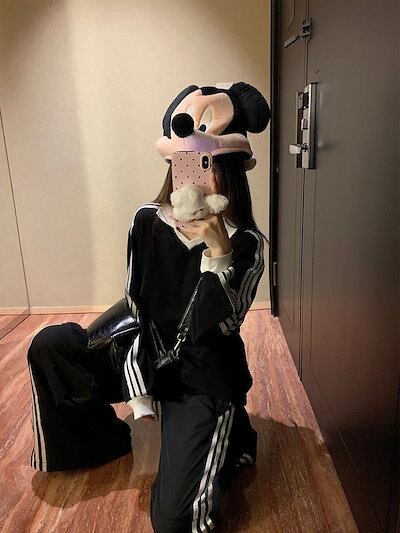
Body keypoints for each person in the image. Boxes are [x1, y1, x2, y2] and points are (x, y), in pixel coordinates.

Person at [27, 82, 270, 532]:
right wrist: (133, 373)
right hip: (145, 348)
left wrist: (218, 255)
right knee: (51, 345)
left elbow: (219, 325)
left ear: (231, 172)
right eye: (186, 163)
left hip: (200, 374)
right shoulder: (146, 220)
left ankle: (228, 434)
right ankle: (99, 440)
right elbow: (134, 298)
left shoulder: (247, 244)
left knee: (173, 520)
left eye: (209, 165)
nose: (194, 177)